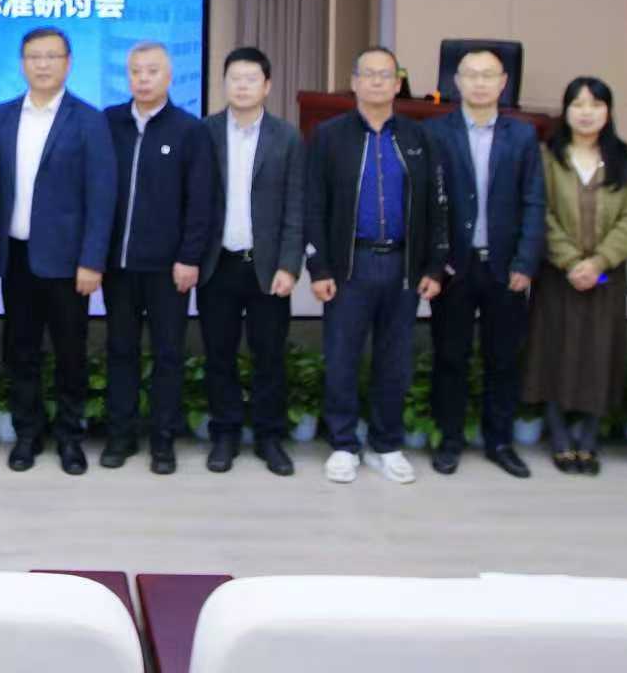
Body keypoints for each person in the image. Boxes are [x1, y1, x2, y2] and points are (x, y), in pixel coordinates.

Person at [303, 46, 447, 485]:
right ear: (354, 82)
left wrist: (434, 266)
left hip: (403, 266)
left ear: (398, 83)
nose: (378, 81)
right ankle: (344, 444)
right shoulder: (329, 136)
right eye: (369, 74)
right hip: (350, 266)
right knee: (342, 358)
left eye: (386, 75)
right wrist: (319, 267)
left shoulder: (419, 137)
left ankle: (387, 444)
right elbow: (314, 204)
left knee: (395, 361)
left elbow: (436, 205)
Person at [0, 26, 116, 476]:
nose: (42, 64)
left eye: (52, 56)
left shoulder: (89, 120)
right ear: (22, 63)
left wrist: (92, 260)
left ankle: (69, 438)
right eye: (34, 56)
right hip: (16, 256)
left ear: (68, 63)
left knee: (70, 353)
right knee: (20, 351)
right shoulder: (1, 117)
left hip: (68, 263)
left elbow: (102, 196)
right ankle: (27, 434)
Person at [424, 47, 546, 479]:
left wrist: (526, 262)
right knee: (450, 357)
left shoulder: (523, 136)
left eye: (488, 75)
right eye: (471, 74)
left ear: (503, 83)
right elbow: (427, 205)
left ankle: (500, 442)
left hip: (505, 267)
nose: (479, 82)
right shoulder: (435, 132)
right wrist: (434, 265)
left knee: (503, 359)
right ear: (456, 81)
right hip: (454, 268)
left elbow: (534, 202)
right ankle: (450, 440)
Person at [524, 75, 627, 477]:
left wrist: (598, 263)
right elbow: (539, 212)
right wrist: (569, 260)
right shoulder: (547, 157)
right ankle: (560, 435)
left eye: (595, 104)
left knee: (599, 352)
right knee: (553, 349)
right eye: (577, 104)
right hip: (557, 274)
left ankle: (590, 438)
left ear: (608, 112)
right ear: (565, 111)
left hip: (605, 277)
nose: (586, 112)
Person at [99, 42, 214, 475]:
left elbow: (200, 202)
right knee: (120, 351)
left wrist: (189, 257)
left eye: (152, 71)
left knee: (167, 355)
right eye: (135, 71)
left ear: (169, 77)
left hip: (169, 268)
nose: (143, 79)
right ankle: (121, 435)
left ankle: (163, 441)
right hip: (117, 266)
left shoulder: (189, 130)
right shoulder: (108, 122)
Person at [198, 46, 303, 476]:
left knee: (269, 356)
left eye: (251, 79)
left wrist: (289, 265)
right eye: (234, 79)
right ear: (224, 84)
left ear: (267, 85)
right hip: (216, 264)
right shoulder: (204, 132)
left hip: (267, 266)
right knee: (218, 354)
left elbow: (296, 205)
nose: (242, 86)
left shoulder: (287, 137)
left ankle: (268, 437)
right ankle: (224, 434)